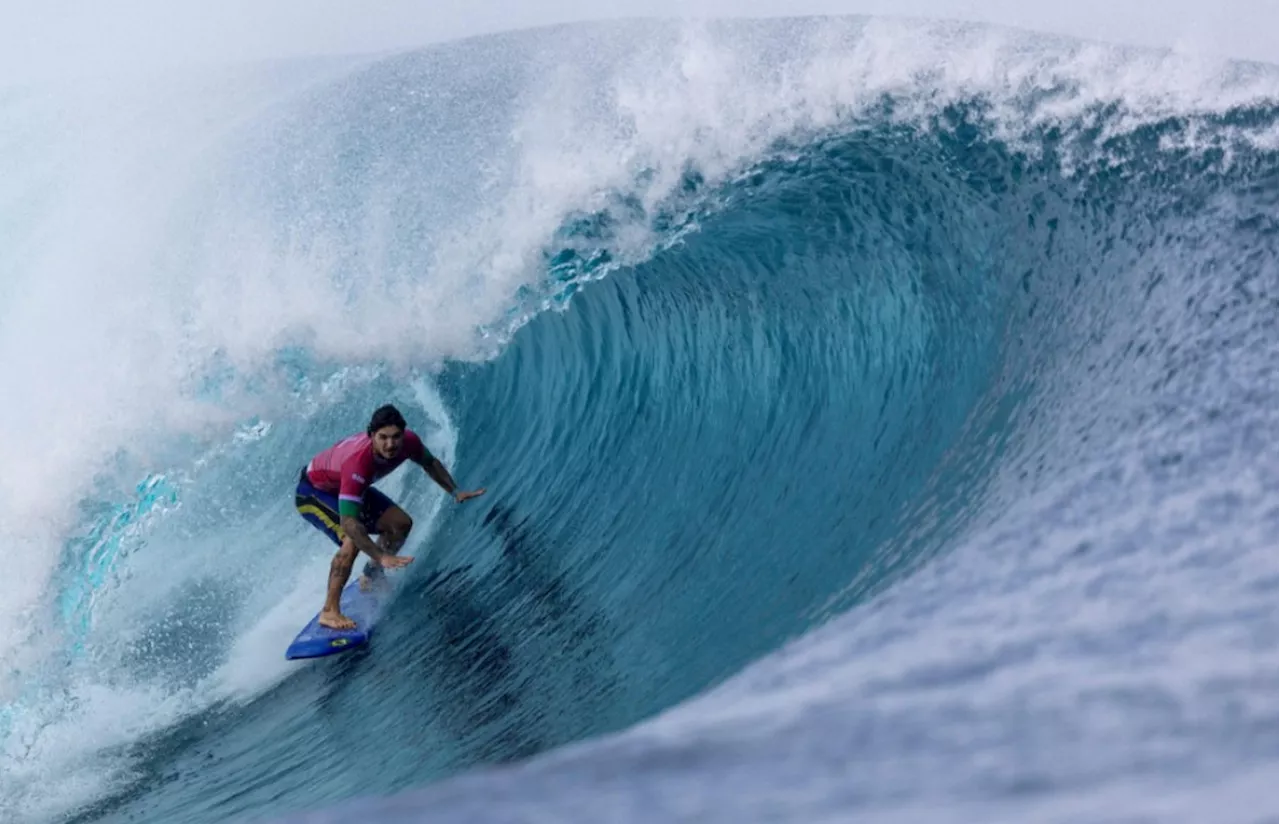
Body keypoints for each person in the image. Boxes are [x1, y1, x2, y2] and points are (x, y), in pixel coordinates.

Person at [295, 404, 486, 629]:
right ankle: (329, 611)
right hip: (314, 492)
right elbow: (348, 522)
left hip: (346, 487)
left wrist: (455, 491)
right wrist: (380, 554)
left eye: (396, 437)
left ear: (403, 434)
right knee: (352, 539)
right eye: (383, 437)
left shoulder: (410, 442)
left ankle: (371, 576)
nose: (390, 444)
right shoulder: (358, 462)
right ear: (371, 436)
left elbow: (430, 463)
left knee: (400, 524)